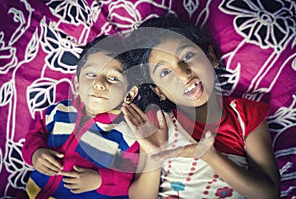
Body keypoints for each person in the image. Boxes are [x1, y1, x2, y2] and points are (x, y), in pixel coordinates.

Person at [121, 16, 280, 199]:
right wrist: (155, 154)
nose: (183, 74)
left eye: (187, 56)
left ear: (210, 57)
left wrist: (209, 156)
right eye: (165, 72)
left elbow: (269, 194)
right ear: (159, 91)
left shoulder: (245, 116)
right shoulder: (157, 123)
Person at [22, 35, 139, 199]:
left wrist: (100, 180)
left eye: (113, 78)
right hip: (34, 192)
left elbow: (130, 181)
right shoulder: (58, 111)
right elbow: (33, 136)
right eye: (91, 75)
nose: (98, 83)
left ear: (129, 93)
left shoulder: (128, 134)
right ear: (77, 83)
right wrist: (35, 154)